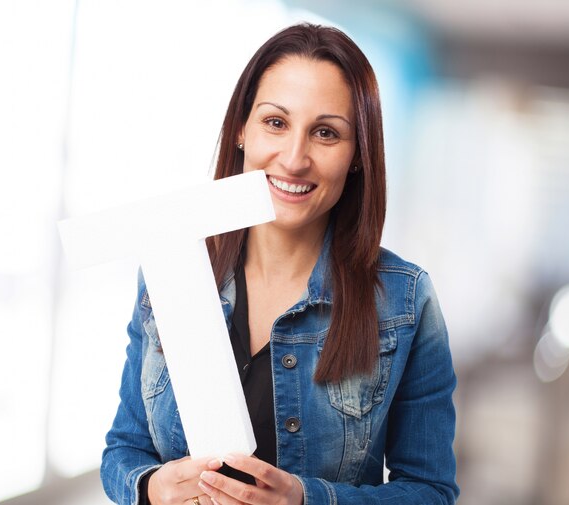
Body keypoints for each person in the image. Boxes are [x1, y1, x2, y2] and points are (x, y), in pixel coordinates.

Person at [101, 22, 459, 505]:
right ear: (241, 130)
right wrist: (151, 487)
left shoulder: (405, 301)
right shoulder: (175, 267)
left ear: (357, 156)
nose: (294, 158)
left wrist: (306, 500)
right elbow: (124, 450)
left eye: (326, 133)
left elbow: (431, 492)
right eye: (276, 122)